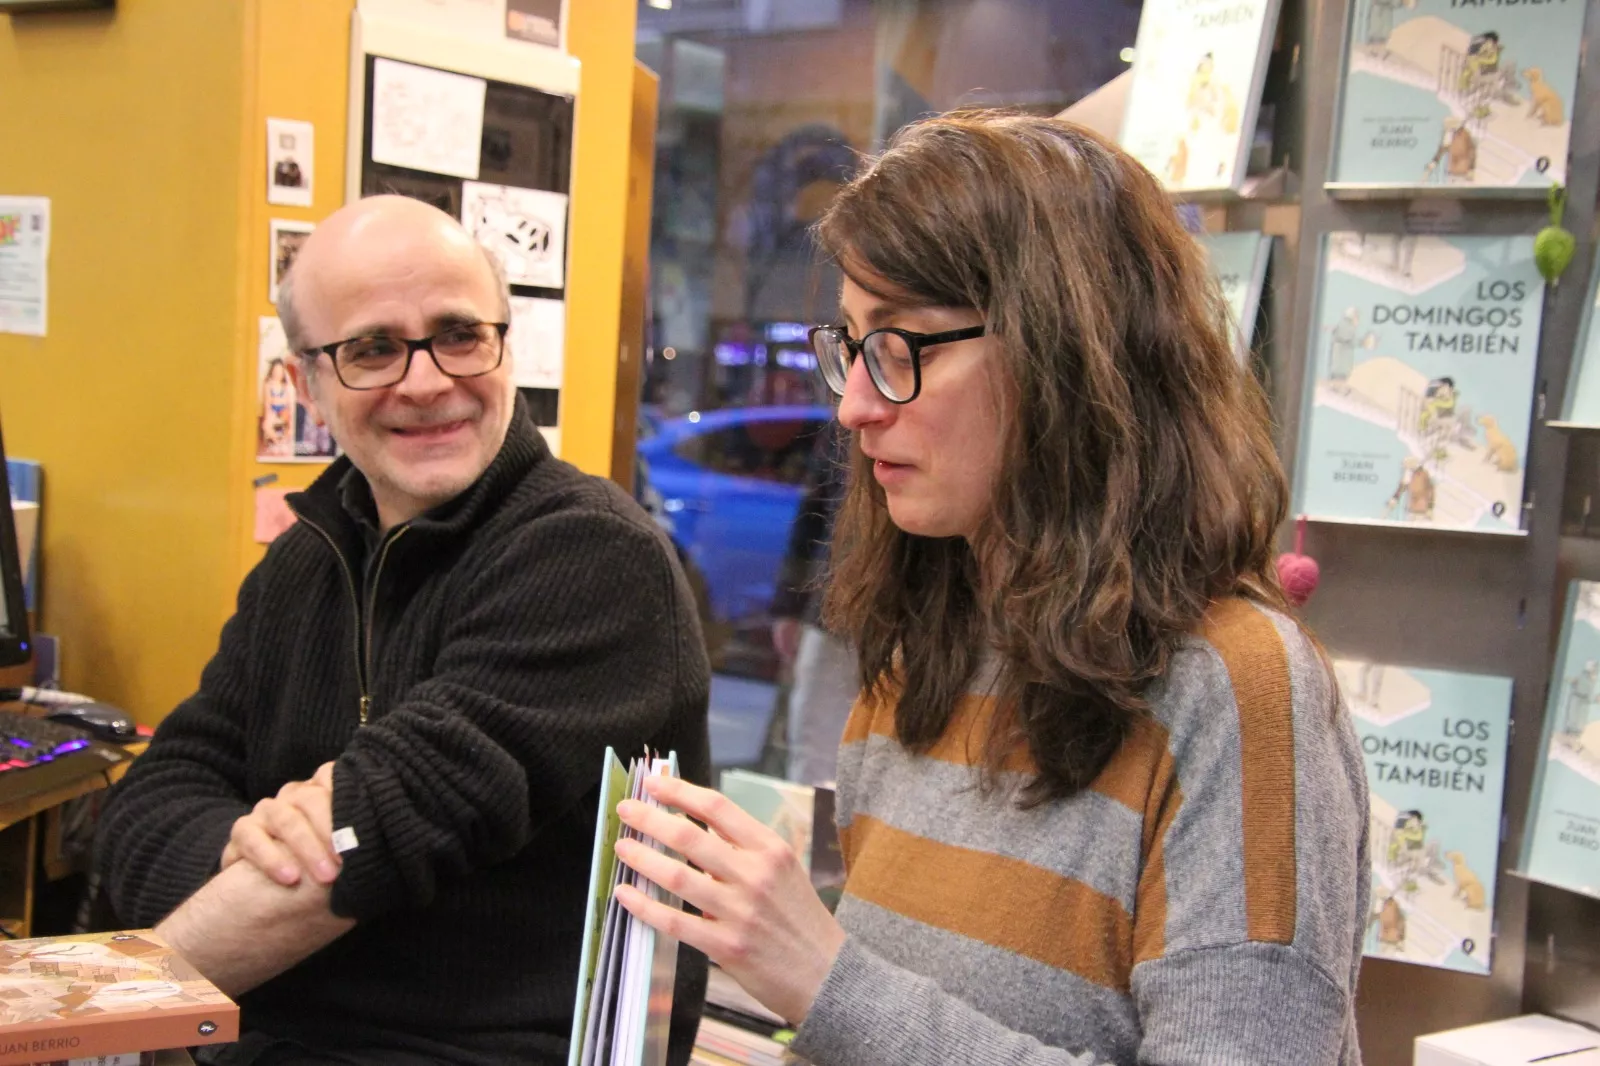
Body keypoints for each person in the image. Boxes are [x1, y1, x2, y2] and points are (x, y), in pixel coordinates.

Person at [608, 112, 1370, 1065]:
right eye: (850, 344)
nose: (850, 406)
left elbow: (867, 1010)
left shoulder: (1239, 693)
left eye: (901, 346)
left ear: (1066, 357)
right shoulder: (921, 660)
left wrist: (826, 979)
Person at [93, 195, 712, 1066]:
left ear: (505, 343)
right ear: (309, 382)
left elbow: (375, 838)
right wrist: (249, 843)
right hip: (268, 1040)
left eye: (458, 333)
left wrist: (91, 1009)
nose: (426, 381)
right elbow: (149, 807)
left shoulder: (591, 557)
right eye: (373, 349)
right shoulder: (305, 562)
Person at [770, 422, 856, 786]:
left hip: (923, 625)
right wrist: (789, 605)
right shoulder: (846, 427)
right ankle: (811, 841)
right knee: (815, 759)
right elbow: (812, 515)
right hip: (838, 609)